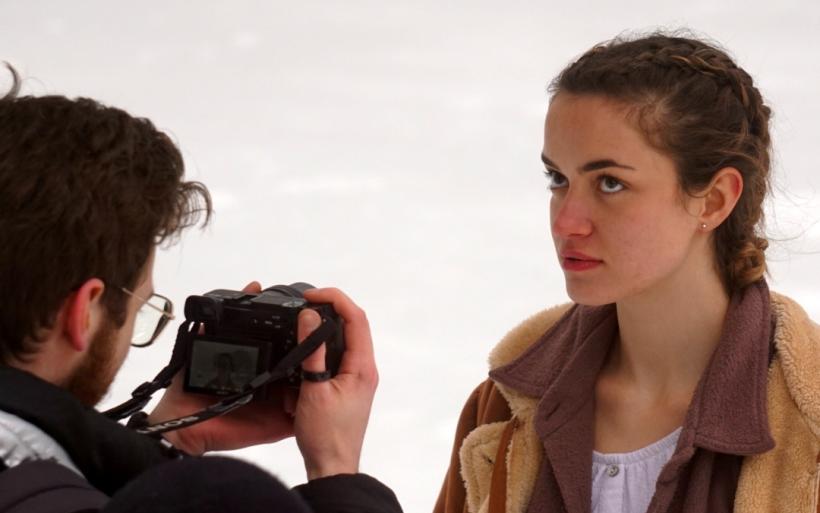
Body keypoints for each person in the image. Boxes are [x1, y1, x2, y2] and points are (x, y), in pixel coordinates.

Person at [435, 32, 820, 513]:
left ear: (716, 198)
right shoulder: (502, 409)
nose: (566, 221)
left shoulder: (810, 427)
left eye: (611, 183)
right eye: (559, 179)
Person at [0, 65, 402, 513]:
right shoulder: (220, 498)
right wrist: (337, 473)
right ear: (85, 312)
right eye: (140, 309)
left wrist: (171, 438)